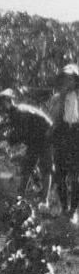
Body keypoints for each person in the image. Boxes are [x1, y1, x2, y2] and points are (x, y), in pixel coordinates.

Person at [0, 88, 53, 202]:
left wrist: (8, 141)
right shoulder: (16, 112)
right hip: (35, 139)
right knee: (27, 167)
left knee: (45, 169)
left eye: (1, 104)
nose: (0, 108)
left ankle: (44, 198)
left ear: (7, 102)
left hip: (45, 138)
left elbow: (21, 131)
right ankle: (20, 194)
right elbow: (18, 129)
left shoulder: (19, 112)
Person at [46, 65, 79, 215]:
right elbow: (53, 117)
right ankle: (64, 206)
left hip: (75, 134)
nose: (68, 82)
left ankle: (73, 207)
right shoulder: (57, 98)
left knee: (74, 174)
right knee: (60, 173)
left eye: (71, 79)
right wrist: (62, 97)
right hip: (61, 133)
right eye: (66, 79)